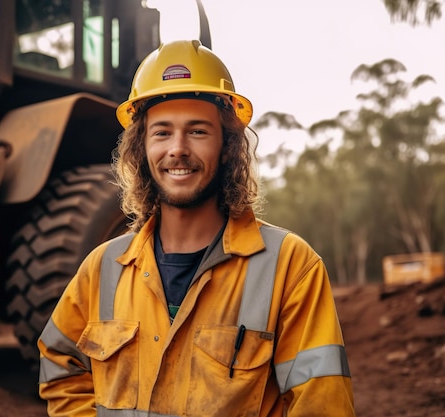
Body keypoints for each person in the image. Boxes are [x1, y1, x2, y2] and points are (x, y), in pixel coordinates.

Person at [37, 39, 356, 417]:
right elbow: (60, 367)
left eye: (198, 131)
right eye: (162, 132)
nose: (178, 149)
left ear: (227, 147)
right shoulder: (102, 268)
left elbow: (322, 404)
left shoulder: (290, 267)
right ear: (141, 149)